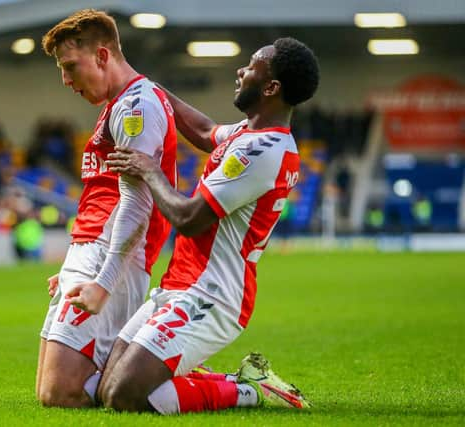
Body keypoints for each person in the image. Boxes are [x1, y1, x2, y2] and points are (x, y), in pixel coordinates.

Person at [67, 37, 320, 414]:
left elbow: (188, 219)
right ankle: (225, 377)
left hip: (213, 295)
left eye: (251, 66)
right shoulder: (247, 135)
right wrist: (143, 84)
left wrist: (150, 171)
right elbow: (203, 131)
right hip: (180, 285)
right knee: (107, 387)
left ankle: (247, 391)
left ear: (271, 88)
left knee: (125, 396)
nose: (241, 70)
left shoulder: (264, 149)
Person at [36, 9, 181, 408]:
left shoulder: (137, 106)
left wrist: (103, 280)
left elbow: (136, 201)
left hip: (112, 255)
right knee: (50, 390)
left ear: (102, 56)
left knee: (61, 393)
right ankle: (143, 371)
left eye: (70, 67)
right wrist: (73, 262)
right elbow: (106, 191)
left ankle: (216, 385)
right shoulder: (119, 104)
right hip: (91, 248)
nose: (66, 81)